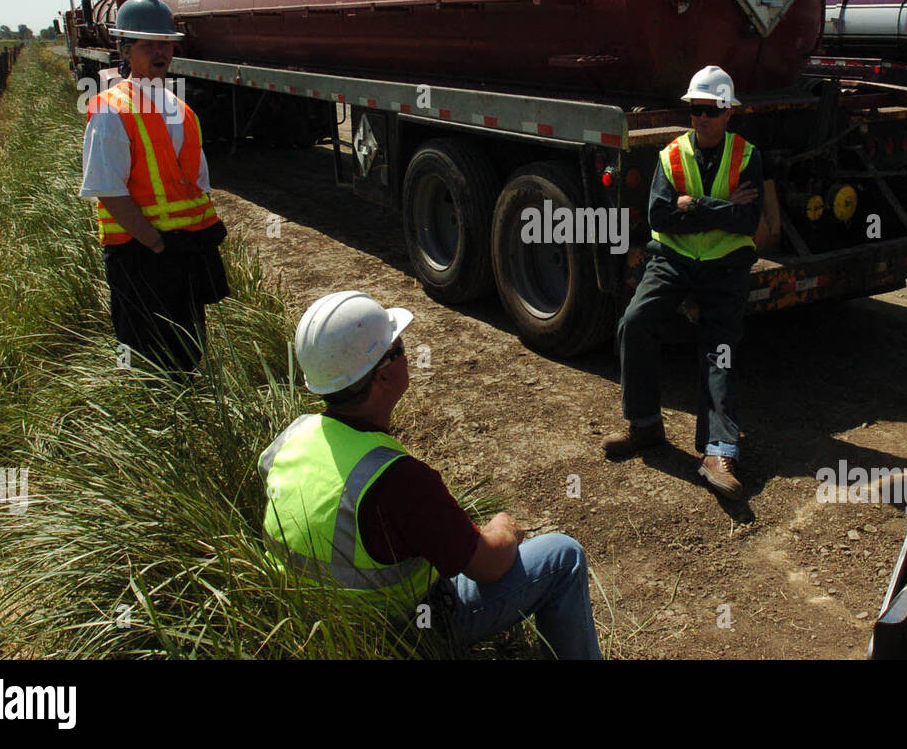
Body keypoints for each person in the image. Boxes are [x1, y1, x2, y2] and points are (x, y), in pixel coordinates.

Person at [261, 291, 601, 659]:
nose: (408, 353)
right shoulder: (398, 482)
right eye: (400, 346)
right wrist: (504, 530)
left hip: (312, 623)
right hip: (397, 631)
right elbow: (488, 566)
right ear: (385, 374)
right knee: (563, 555)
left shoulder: (291, 438)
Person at [604, 65, 764, 499]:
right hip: (672, 259)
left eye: (711, 109)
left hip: (726, 263)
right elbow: (658, 216)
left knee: (720, 348)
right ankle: (644, 425)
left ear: (728, 112)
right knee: (635, 322)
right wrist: (718, 208)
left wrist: (692, 206)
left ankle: (719, 451)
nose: (702, 117)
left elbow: (748, 220)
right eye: (696, 109)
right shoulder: (671, 156)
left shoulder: (746, 156)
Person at [79, 0, 229, 375]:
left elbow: (196, 186)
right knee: (148, 355)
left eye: (166, 44)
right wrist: (157, 243)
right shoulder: (111, 109)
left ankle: (190, 417)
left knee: (188, 350)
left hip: (184, 249)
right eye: (149, 45)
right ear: (126, 51)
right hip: (141, 253)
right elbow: (108, 191)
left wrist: (190, 246)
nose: (161, 52)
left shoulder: (182, 109)